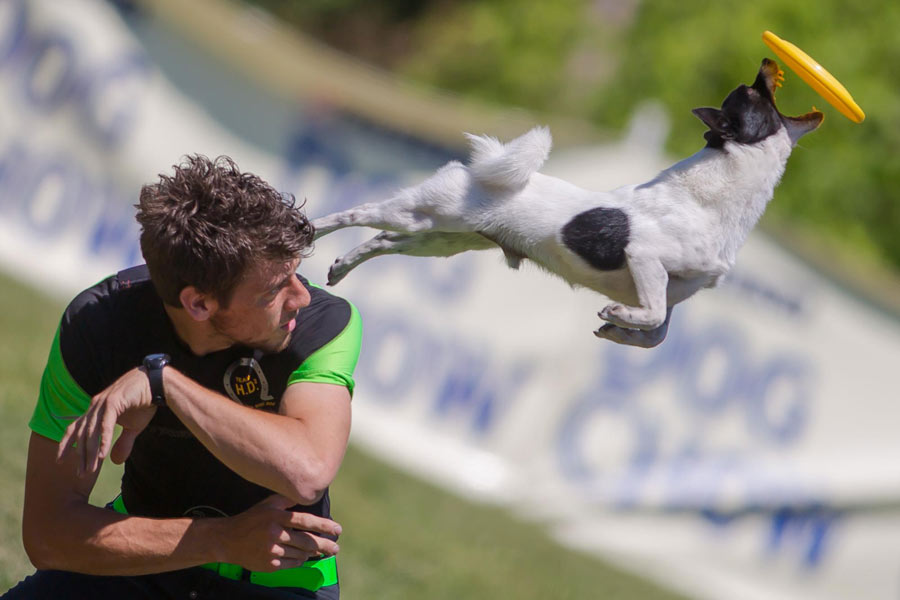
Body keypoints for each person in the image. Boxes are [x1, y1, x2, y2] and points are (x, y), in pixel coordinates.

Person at [3, 155, 362, 599]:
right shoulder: (98, 326)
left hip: (280, 583)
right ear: (199, 305)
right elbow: (49, 534)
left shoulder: (326, 324)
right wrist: (223, 539)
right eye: (275, 289)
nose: (301, 297)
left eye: (296, 272)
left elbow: (306, 472)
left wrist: (163, 383)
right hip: (140, 559)